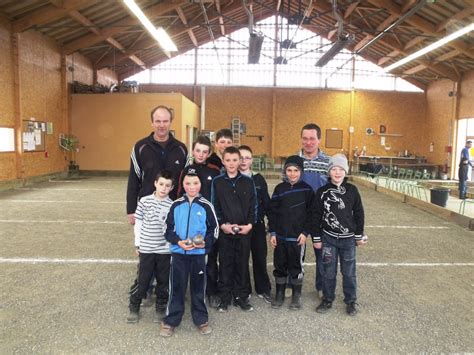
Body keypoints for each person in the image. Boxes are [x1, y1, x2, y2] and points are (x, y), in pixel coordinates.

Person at [160, 170, 219, 337]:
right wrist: (178, 241)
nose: (191, 187)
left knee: (198, 287)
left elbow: (214, 230)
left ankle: (201, 319)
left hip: (198, 255)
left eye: (195, 183)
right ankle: (171, 320)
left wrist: (202, 243)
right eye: (187, 183)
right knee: (176, 287)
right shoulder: (176, 204)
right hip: (179, 254)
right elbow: (167, 228)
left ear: (200, 184)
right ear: (182, 185)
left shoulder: (207, 205)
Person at [313, 154, 366, 316]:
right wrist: (316, 237)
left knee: (349, 272)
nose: (337, 172)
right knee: (328, 272)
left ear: (345, 171)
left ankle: (350, 301)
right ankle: (327, 299)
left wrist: (358, 235)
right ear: (329, 172)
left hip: (348, 240)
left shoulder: (352, 190)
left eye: (341, 169)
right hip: (328, 239)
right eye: (334, 169)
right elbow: (315, 215)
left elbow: (359, 213)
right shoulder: (322, 192)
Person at [211, 146, 257, 312]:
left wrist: (249, 225)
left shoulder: (248, 181)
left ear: (240, 161)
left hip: (244, 231)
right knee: (225, 263)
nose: (231, 163)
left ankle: (240, 297)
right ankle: (224, 297)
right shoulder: (218, 182)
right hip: (225, 232)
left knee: (242, 263)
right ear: (223, 161)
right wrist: (223, 225)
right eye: (228, 160)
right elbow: (214, 205)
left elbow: (254, 206)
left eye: (235, 160)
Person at [126, 105, 188, 225]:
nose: (161, 125)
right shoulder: (140, 147)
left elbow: (186, 182)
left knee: (173, 243)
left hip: (174, 208)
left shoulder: (181, 149)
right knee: (147, 242)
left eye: (165, 121)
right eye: (158, 121)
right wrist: (131, 209)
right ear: (152, 123)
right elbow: (133, 180)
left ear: (170, 122)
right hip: (147, 211)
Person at [127, 171, 174, 324]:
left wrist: (171, 246)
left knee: (163, 281)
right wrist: (138, 244)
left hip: (164, 251)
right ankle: (134, 306)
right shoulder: (144, 202)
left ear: (172, 187)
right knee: (143, 280)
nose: (163, 188)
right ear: (155, 183)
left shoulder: (172, 205)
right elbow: (138, 223)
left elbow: (172, 229)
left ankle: (160, 307)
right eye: (161, 184)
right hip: (146, 249)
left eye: (167, 186)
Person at [268, 155, 314, 310]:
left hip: (297, 238)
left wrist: (305, 232)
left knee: (296, 266)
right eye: (289, 170)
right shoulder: (279, 189)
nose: (292, 173)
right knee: (279, 265)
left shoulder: (307, 190)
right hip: (280, 237)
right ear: (285, 171)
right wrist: (273, 232)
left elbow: (312, 214)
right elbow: (272, 212)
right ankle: (279, 294)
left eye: (296, 170)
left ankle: (296, 295)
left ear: (301, 171)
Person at [298, 123, 330, 298]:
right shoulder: (294, 160)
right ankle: (293, 284)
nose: (308, 142)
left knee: (322, 253)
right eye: (305, 138)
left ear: (319, 139)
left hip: (321, 217)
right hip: (298, 216)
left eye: (312, 138)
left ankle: (322, 286)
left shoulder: (328, 162)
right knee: (296, 252)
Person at [238, 145, 272, 303]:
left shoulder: (258, 179)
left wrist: (270, 224)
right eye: (241, 157)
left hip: (257, 225)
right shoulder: (232, 178)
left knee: (259, 257)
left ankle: (263, 288)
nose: (244, 161)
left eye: (247, 157)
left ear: (252, 160)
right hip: (240, 226)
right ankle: (244, 290)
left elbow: (266, 202)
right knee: (241, 258)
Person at [205, 128, 234, 308]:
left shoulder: (234, 163)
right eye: (221, 142)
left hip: (230, 218)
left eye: (228, 142)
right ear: (215, 144)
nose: (224, 145)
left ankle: (227, 289)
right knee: (211, 255)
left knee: (228, 257)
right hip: (212, 219)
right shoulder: (210, 164)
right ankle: (212, 290)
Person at [177, 135, 220, 201]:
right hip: (190, 209)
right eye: (198, 151)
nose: (201, 155)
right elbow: (180, 193)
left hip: (209, 209)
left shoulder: (215, 171)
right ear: (193, 151)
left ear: (209, 153)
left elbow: (219, 194)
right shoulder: (186, 170)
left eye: (204, 152)